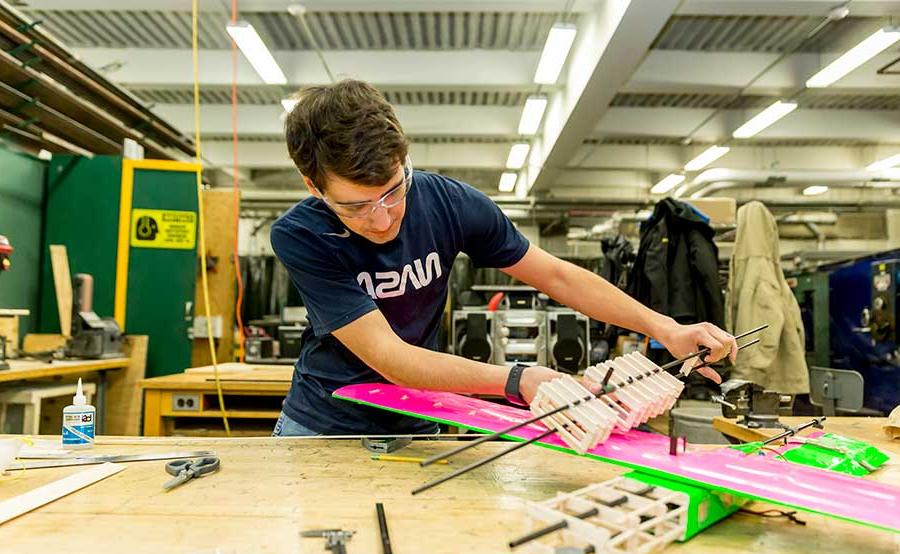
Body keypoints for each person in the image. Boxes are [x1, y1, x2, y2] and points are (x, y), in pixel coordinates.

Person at [270, 79, 736, 437]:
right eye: (356, 205)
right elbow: (392, 358)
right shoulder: (302, 235)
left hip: (420, 415)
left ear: (403, 159)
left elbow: (557, 275)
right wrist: (518, 379)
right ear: (314, 187)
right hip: (323, 424)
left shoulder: (449, 203)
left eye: (393, 190)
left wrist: (665, 328)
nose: (382, 217)